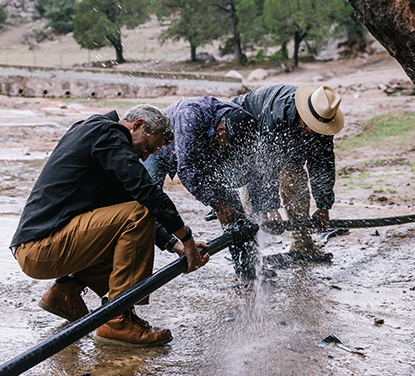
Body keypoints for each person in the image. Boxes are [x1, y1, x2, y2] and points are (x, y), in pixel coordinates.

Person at [9, 104, 209, 347]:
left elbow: (130, 200)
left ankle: (65, 292)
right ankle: (117, 319)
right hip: (41, 247)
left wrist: (174, 244)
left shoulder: (95, 133)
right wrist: (187, 240)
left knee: (131, 223)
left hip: (40, 246)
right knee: (137, 215)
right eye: (147, 148)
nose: (145, 157)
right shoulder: (108, 134)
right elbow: (146, 195)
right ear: (138, 125)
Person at [142, 95, 260, 279]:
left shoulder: (240, 120)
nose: (228, 148)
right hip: (159, 151)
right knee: (146, 205)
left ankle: (247, 270)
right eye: (227, 143)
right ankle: (141, 271)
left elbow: (250, 168)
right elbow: (187, 170)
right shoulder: (191, 114)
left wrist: (253, 205)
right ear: (221, 128)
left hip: (202, 150)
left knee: (235, 212)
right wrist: (217, 204)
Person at [232, 84, 344, 259]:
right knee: (253, 203)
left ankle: (303, 245)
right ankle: (248, 253)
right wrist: (270, 207)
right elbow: (264, 166)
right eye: (308, 125)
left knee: (296, 183)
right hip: (250, 130)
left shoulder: (323, 124)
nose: (311, 131)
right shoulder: (276, 115)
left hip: (287, 142)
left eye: (316, 129)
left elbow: (322, 165)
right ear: (303, 113)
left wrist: (323, 206)